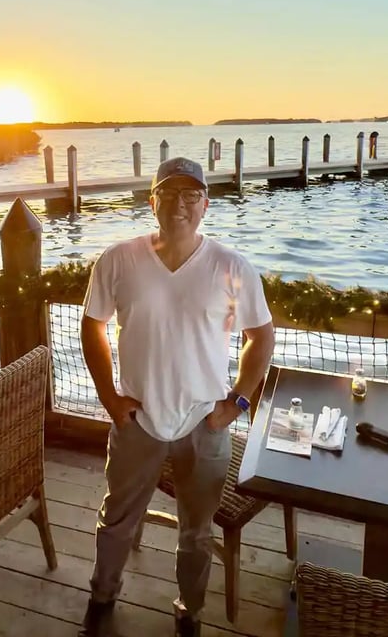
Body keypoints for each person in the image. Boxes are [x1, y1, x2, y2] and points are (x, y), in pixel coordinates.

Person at [79, 156, 275, 637]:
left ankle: (190, 610)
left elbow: (261, 337)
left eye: (191, 195)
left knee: (197, 531)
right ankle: (102, 596)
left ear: (205, 205)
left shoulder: (231, 267)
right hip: (136, 421)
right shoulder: (118, 260)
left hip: (204, 423)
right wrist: (109, 398)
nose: (180, 204)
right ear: (152, 202)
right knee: (117, 519)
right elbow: (92, 325)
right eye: (169, 193)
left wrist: (237, 402)